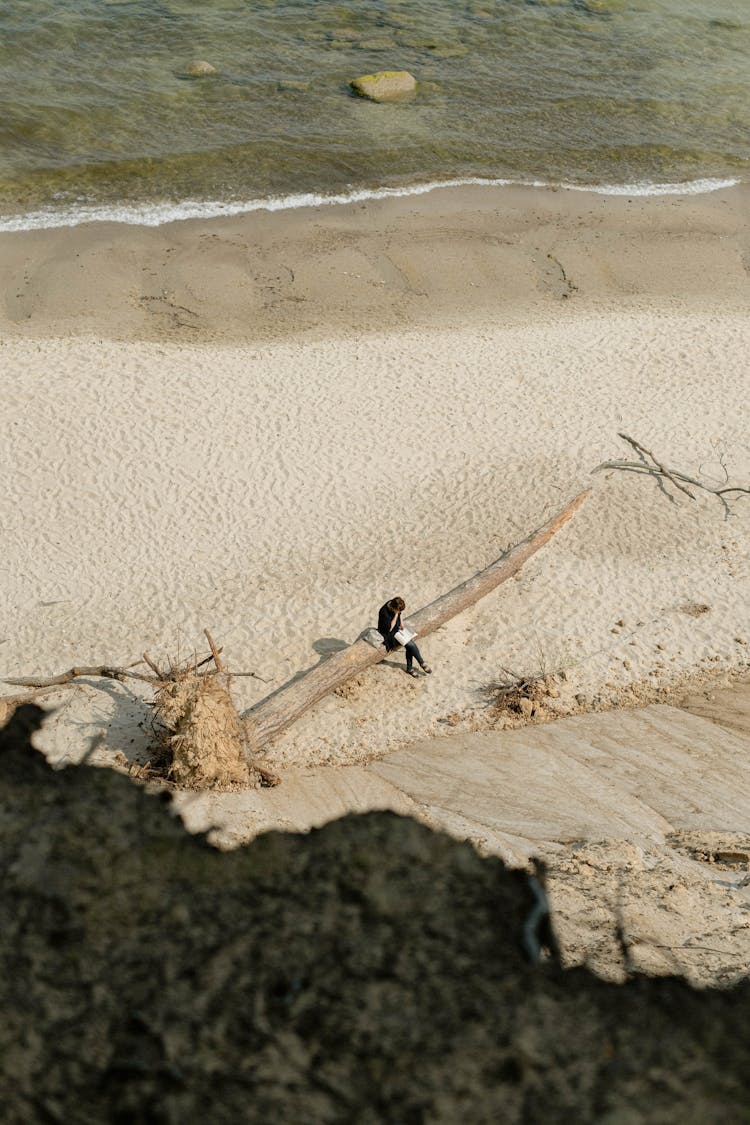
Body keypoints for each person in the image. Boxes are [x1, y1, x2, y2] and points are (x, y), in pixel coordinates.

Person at [377, 596, 432, 678]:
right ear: (394, 608)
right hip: (388, 633)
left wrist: (401, 623)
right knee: (410, 644)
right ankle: (421, 663)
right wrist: (396, 615)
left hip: (397, 628)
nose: (399, 612)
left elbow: (400, 614)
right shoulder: (384, 612)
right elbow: (389, 628)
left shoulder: (393, 603)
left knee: (409, 646)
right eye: (398, 610)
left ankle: (410, 668)